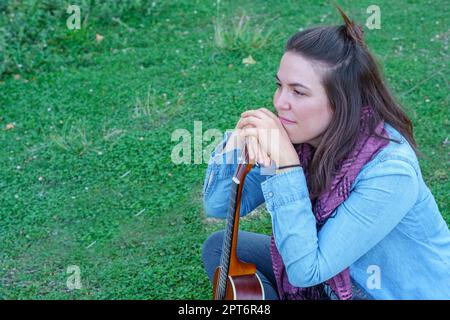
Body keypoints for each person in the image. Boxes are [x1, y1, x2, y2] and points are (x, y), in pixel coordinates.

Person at [201, 7, 450, 300]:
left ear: (341, 102)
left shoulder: (390, 171)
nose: (281, 102)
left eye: (299, 92)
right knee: (220, 247)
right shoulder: (300, 135)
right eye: (280, 86)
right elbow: (219, 207)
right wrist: (235, 147)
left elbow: (307, 271)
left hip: (380, 291)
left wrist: (286, 170)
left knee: (302, 268)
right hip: (330, 273)